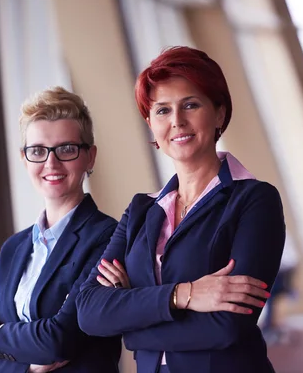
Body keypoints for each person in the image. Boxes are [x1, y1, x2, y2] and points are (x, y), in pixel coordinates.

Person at [76, 46, 286, 373]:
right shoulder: (141, 211)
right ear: (150, 124)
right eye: (162, 110)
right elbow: (89, 311)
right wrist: (183, 295)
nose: (177, 121)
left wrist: (132, 328)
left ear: (218, 113)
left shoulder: (255, 200)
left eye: (190, 104)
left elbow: (228, 325)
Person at [0, 87, 121, 373]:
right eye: (38, 151)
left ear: (90, 157)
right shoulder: (14, 248)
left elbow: (59, 340)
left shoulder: (108, 237)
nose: (51, 162)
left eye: (66, 149)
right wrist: (28, 369)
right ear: (25, 159)